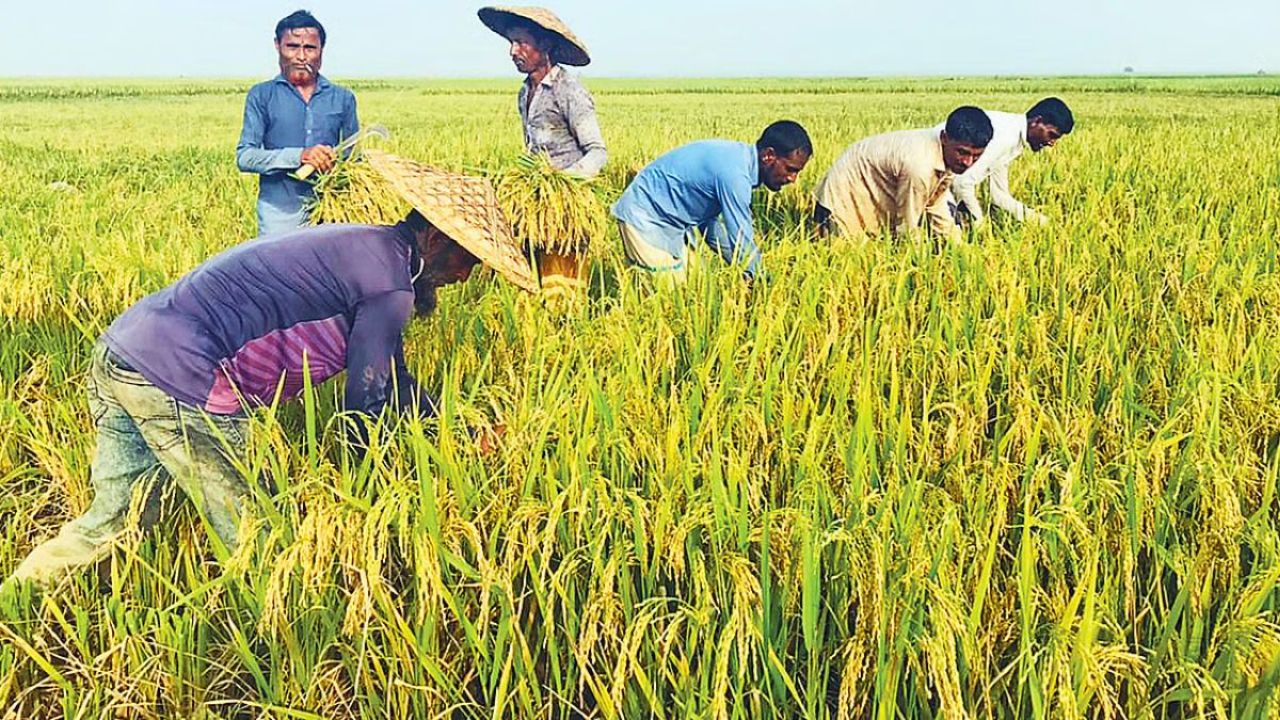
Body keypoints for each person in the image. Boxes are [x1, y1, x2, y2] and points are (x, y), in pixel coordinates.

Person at [3, 159, 536, 590]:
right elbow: (368, 402)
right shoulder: (389, 285)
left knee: (117, 519)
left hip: (126, 349)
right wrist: (365, 493)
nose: (467, 277)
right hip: (181, 375)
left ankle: (19, 595)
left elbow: (389, 375)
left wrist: (451, 428)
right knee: (254, 531)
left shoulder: (368, 245)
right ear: (439, 240)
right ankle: (279, 626)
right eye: (472, 260)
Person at [611, 121, 813, 282]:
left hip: (676, 224)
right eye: (790, 169)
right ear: (769, 156)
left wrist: (740, 265)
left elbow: (709, 226)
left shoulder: (739, 162)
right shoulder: (735, 175)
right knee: (672, 298)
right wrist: (761, 279)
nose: (792, 179)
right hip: (645, 216)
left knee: (699, 286)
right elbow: (741, 236)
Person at [236, 10, 359, 236]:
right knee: (278, 271)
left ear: (321, 50)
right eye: (292, 47)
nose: (301, 56)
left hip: (331, 215)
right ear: (277, 46)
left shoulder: (343, 98)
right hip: (279, 218)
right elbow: (245, 157)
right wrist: (300, 156)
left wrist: (333, 160)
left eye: (310, 48)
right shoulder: (261, 95)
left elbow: (354, 159)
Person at [813, 107, 993, 242]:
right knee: (844, 259)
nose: (968, 162)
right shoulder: (920, 166)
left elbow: (934, 203)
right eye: (962, 152)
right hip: (843, 194)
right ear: (945, 138)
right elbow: (907, 226)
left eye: (976, 156)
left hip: (869, 188)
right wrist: (916, 265)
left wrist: (958, 247)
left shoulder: (948, 157)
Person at [478, 6, 607, 178]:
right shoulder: (524, 92)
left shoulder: (568, 90)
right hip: (537, 184)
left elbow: (597, 152)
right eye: (511, 43)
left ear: (545, 44)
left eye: (521, 43)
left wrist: (566, 180)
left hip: (567, 190)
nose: (513, 51)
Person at [945, 97, 1075, 227]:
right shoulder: (1006, 136)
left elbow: (997, 194)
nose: (1052, 143)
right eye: (1052, 135)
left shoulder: (1014, 138)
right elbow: (961, 183)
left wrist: (1042, 222)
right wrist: (979, 223)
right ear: (1037, 121)